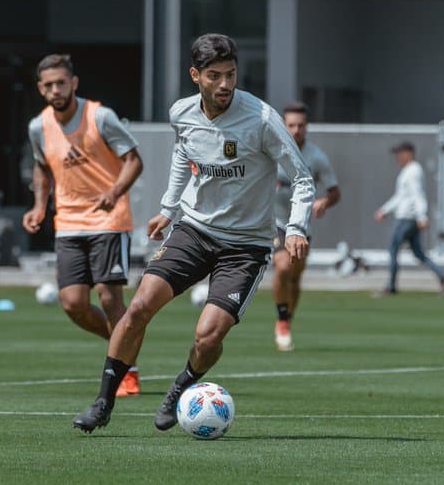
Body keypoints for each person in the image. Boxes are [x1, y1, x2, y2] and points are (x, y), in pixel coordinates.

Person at [72, 33, 314, 434]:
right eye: (215, 76)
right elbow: (184, 152)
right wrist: (168, 209)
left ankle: (180, 389)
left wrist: (295, 228)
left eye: (231, 75)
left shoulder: (262, 119)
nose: (225, 85)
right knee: (138, 308)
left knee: (208, 335)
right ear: (195, 75)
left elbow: (303, 179)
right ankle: (102, 403)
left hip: (245, 247)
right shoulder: (181, 113)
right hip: (195, 230)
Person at [22, 54, 145, 397]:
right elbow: (41, 167)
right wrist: (38, 206)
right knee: (73, 304)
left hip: (109, 220)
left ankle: (127, 370)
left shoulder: (100, 117)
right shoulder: (38, 127)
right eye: (48, 85)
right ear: (40, 89)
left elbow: (134, 161)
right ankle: (122, 338)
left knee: (108, 295)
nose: (55, 90)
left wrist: (114, 191)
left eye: (61, 82)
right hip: (69, 224)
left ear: (74, 83)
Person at [270, 102, 340, 352]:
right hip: (274, 222)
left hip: (301, 226)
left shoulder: (317, 157)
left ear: (306, 127)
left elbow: (335, 192)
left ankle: (287, 319)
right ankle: (281, 321)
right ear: (283, 126)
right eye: (291, 125)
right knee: (282, 267)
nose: (296, 130)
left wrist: (324, 201)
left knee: (295, 276)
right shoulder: (272, 150)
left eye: (300, 125)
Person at [372, 142, 444, 296]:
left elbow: (417, 195)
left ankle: (391, 286)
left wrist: (422, 216)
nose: (397, 157)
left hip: (406, 218)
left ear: (409, 153)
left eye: (399, 153)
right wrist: (385, 210)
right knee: (418, 253)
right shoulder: (408, 171)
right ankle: (442, 277)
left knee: (393, 248)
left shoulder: (413, 171)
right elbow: (400, 196)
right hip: (409, 218)